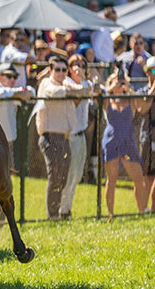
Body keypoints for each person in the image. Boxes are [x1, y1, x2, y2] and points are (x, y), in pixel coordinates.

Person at [36, 57, 91, 219]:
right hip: (49, 136)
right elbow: (58, 93)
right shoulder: (47, 83)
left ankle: (60, 212)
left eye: (63, 70)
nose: (60, 73)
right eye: (57, 70)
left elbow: (87, 90)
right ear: (51, 71)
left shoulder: (65, 83)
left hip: (64, 137)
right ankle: (52, 214)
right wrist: (78, 91)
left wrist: (80, 87)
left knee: (64, 176)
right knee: (55, 176)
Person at [0, 63, 34, 226]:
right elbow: (0, 94)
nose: (12, 80)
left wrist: (21, 92)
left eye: (15, 77)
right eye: (8, 76)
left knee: (3, 181)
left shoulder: (12, 93)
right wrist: (19, 92)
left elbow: (31, 92)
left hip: (8, 144)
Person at [103, 73, 148, 217]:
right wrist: (112, 88)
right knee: (112, 179)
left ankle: (141, 210)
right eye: (117, 81)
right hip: (111, 140)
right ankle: (110, 214)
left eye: (122, 81)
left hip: (128, 140)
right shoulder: (107, 100)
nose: (120, 84)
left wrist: (128, 89)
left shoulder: (130, 99)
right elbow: (99, 95)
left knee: (138, 178)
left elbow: (142, 107)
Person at [59, 54, 93, 219]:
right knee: (70, 174)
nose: (79, 68)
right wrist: (83, 87)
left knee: (78, 174)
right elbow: (78, 99)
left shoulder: (87, 83)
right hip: (70, 135)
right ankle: (62, 210)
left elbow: (92, 90)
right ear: (70, 68)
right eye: (75, 65)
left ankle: (67, 208)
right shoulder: (67, 82)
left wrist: (84, 87)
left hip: (82, 135)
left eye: (82, 65)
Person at [136, 57, 155, 211]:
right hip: (147, 138)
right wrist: (153, 89)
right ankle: (142, 209)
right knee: (146, 176)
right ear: (147, 72)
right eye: (154, 70)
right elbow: (142, 109)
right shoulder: (142, 90)